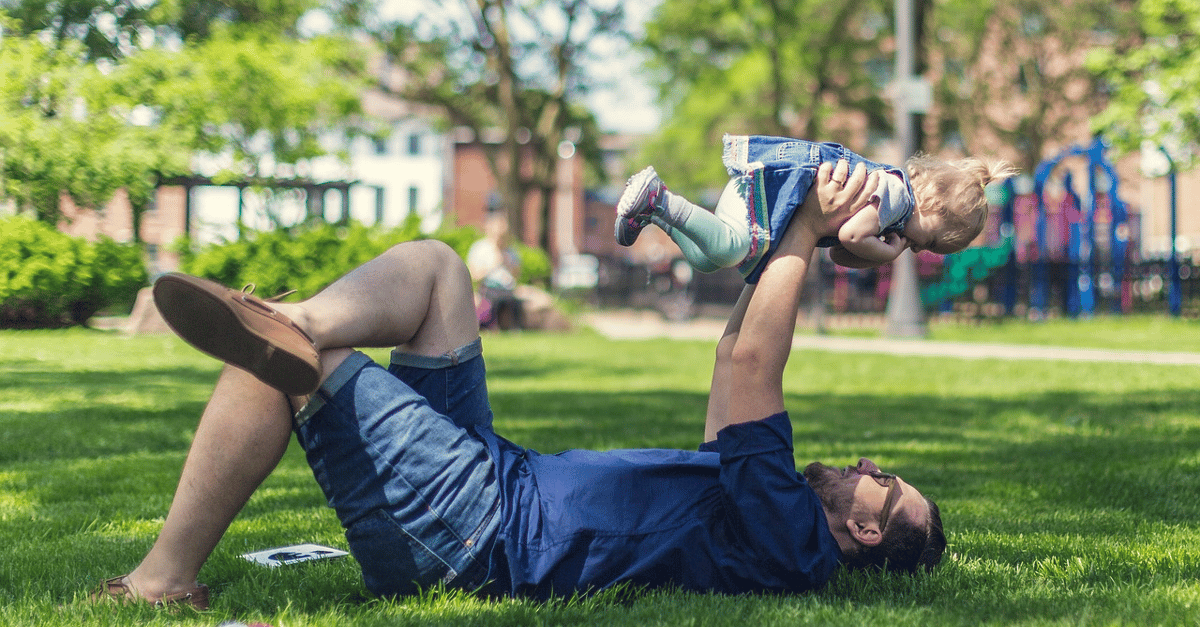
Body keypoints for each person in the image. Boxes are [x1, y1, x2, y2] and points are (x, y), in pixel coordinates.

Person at [89, 160, 944, 609]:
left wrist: (805, 224)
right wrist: (811, 239)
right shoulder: (760, 506)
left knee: (292, 370)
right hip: (495, 477)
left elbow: (760, 364)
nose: (867, 463)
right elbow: (735, 357)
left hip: (476, 533)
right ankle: (300, 320)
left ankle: (164, 578)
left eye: (884, 478)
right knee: (437, 271)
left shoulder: (790, 541)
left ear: (867, 528)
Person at [615, 133, 1017, 279]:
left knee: (707, 260)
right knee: (729, 249)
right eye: (926, 241)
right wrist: (888, 252)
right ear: (931, 203)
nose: (914, 247)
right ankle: (660, 197)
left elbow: (843, 253)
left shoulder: (888, 214)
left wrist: (875, 254)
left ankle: (654, 214)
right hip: (769, 191)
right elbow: (850, 235)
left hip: (760, 196)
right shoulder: (895, 195)